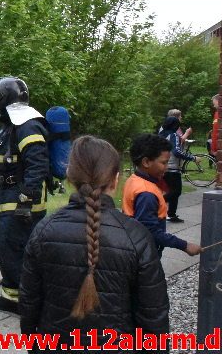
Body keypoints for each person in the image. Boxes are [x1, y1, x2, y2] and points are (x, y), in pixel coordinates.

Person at [20, 136, 169, 349]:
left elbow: (29, 302)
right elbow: (153, 315)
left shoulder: (44, 231)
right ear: (116, 179)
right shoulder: (137, 237)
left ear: (70, 177)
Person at [0, 77, 50, 314]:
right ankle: (14, 295)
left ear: (4, 99)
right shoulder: (10, 126)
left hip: (21, 202)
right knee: (9, 249)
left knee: (13, 249)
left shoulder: (27, 125)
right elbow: (3, 165)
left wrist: (25, 199)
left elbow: (37, 165)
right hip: (10, 196)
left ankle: (21, 300)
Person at [122, 134, 202, 257]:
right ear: (146, 162)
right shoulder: (146, 193)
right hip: (144, 255)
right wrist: (184, 245)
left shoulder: (134, 179)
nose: (167, 167)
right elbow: (150, 231)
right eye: (164, 163)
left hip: (132, 246)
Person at [159, 116, 197, 223]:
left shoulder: (161, 134)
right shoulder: (173, 135)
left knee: (172, 191)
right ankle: (157, 203)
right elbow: (176, 152)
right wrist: (192, 158)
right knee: (176, 192)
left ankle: (172, 214)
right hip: (172, 167)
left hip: (163, 167)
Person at [211, 94, 220, 158]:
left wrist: (215, 149)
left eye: (214, 103)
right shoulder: (216, 113)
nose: (214, 106)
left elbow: (217, 133)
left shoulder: (220, 114)